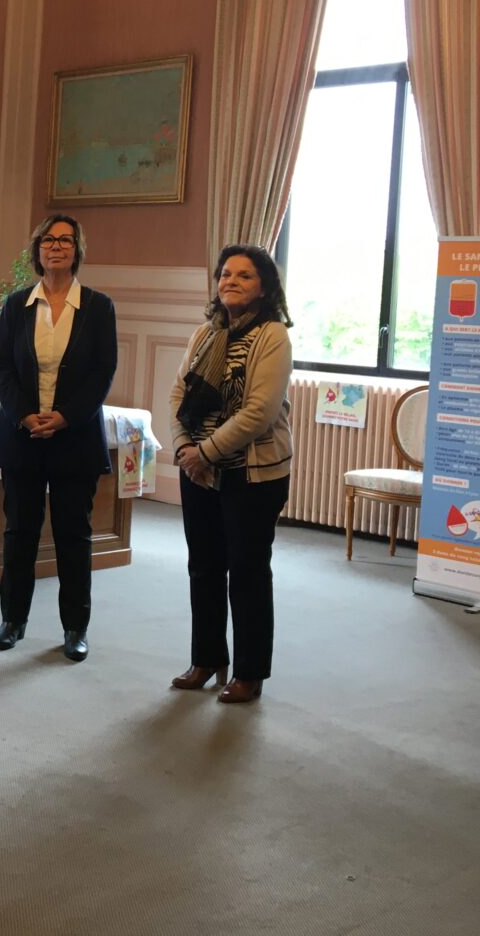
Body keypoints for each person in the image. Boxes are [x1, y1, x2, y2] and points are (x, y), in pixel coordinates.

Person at [0, 215, 118, 662]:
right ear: (37, 249)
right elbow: (2, 366)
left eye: (65, 240)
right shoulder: (16, 305)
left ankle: (75, 627)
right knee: (18, 532)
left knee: (73, 535)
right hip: (22, 435)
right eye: (48, 239)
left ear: (77, 250)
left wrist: (65, 417)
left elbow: (103, 372)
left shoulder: (98, 307)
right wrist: (24, 415)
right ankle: (12, 619)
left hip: (74, 438)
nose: (56, 246)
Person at [167, 243, 293, 704]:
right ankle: (206, 659)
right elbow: (178, 396)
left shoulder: (273, 336)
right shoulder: (205, 334)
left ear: (263, 287)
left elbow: (259, 412)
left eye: (244, 275)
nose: (231, 282)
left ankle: (249, 672)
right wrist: (185, 448)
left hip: (251, 474)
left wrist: (206, 452)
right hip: (199, 471)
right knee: (203, 567)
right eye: (225, 274)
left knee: (246, 571)